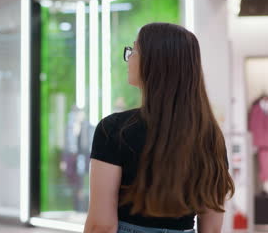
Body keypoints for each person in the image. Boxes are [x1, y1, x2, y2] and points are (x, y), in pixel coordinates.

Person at [84, 23, 234, 233]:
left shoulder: (114, 129)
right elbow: (211, 228)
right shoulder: (208, 134)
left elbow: (102, 225)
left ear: (153, 63)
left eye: (134, 50)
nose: (128, 58)